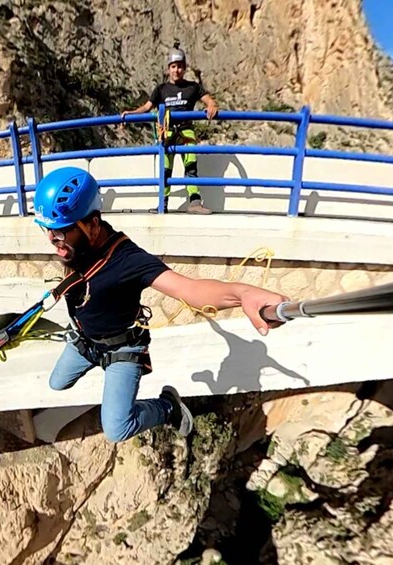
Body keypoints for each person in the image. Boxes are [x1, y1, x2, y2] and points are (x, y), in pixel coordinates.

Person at [34, 166, 289, 442]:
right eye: (46, 231)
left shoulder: (129, 261)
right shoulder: (80, 246)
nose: (53, 241)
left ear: (93, 225)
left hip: (122, 347)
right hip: (87, 341)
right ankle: (99, 363)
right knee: (56, 383)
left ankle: (169, 407)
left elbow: (189, 289)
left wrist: (242, 294)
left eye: (60, 233)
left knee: (117, 430)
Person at [121, 45, 219, 215]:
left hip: (186, 131)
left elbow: (208, 100)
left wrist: (212, 105)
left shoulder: (193, 87)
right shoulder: (161, 89)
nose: (177, 70)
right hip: (167, 133)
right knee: (165, 169)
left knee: (191, 167)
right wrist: (131, 113)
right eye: (174, 66)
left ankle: (195, 203)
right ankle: (162, 204)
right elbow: (147, 107)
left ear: (185, 68)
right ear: (168, 69)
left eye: (180, 66)